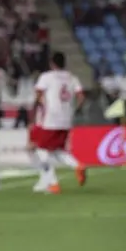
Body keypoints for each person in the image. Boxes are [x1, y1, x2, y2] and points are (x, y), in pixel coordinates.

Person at [27, 51, 87, 194]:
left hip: (50, 119)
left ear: (52, 63)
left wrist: (32, 117)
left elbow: (38, 97)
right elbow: (81, 97)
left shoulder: (46, 77)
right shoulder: (72, 78)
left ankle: (53, 183)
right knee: (57, 150)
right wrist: (74, 110)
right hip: (66, 119)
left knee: (39, 149)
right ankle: (77, 165)